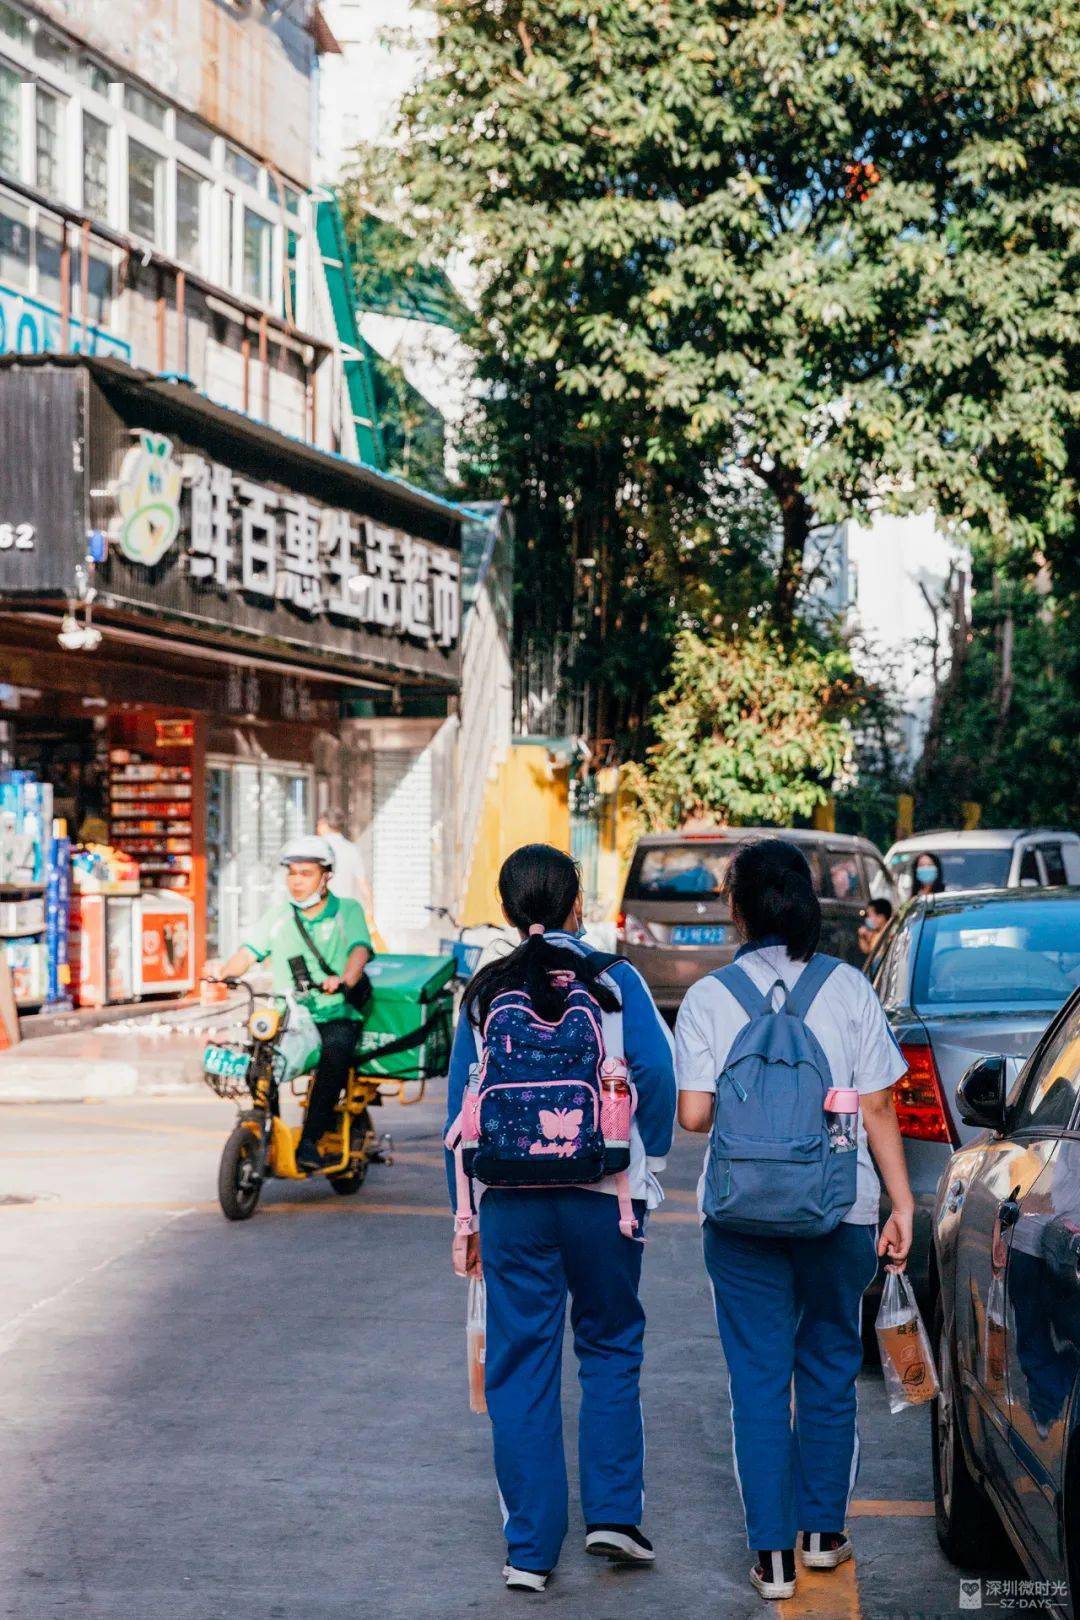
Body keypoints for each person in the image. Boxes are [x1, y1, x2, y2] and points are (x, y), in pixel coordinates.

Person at [675, 838, 914, 1603]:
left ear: (738, 910)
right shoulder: (847, 989)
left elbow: (693, 1116)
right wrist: (902, 1203)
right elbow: (878, 1104)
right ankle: (822, 1535)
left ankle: (771, 1558)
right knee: (829, 1370)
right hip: (841, 1212)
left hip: (741, 1216)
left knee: (756, 1382)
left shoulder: (712, 998)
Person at [445, 844, 676, 1593]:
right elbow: (658, 1077)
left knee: (521, 1363)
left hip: (509, 1199)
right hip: (605, 1196)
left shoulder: (483, 991)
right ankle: (613, 1516)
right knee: (610, 1344)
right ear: (577, 902)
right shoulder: (616, 981)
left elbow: (461, 1112)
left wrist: (466, 1215)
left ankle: (530, 1552)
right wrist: (649, 1164)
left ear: (509, 910)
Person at [209, 834, 373, 1172]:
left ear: (326, 875)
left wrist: (345, 979)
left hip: (334, 1012)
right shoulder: (279, 915)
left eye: (305, 874)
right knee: (257, 1058)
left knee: (335, 1056)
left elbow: (359, 949)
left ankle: (310, 1140)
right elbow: (248, 953)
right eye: (292, 873)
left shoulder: (347, 911)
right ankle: (268, 1128)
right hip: (288, 1016)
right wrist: (224, 972)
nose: (296, 882)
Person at [316, 807, 374, 917]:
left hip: (320, 909)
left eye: (318, 824)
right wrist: (370, 910)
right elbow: (363, 883)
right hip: (344, 910)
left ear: (324, 824)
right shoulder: (352, 849)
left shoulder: (317, 847)